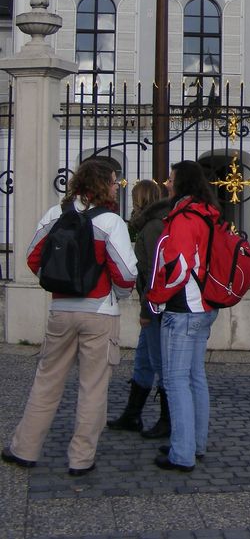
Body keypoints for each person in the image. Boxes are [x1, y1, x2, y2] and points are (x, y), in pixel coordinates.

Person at [1, 159, 137, 475]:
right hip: (100, 311)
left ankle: (24, 449)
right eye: (113, 181)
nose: (116, 186)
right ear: (103, 185)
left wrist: (58, 283)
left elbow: (33, 257)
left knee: (46, 381)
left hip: (61, 309)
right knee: (93, 387)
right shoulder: (111, 222)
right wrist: (118, 294)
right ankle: (81, 458)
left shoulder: (55, 214)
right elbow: (126, 273)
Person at [147, 160, 220, 472]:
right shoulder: (206, 213)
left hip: (183, 308)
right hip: (204, 306)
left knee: (176, 381)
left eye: (170, 178)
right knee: (195, 377)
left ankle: (182, 453)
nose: (166, 183)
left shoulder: (183, 217)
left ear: (181, 183)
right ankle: (193, 443)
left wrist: (156, 298)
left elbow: (177, 267)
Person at [108, 180, 172, 438]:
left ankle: (167, 419)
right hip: (152, 303)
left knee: (160, 362)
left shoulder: (153, 226)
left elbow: (153, 273)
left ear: (141, 200)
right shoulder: (151, 224)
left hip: (155, 306)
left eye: (134, 198)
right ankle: (132, 414)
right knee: (143, 361)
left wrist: (146, 310)